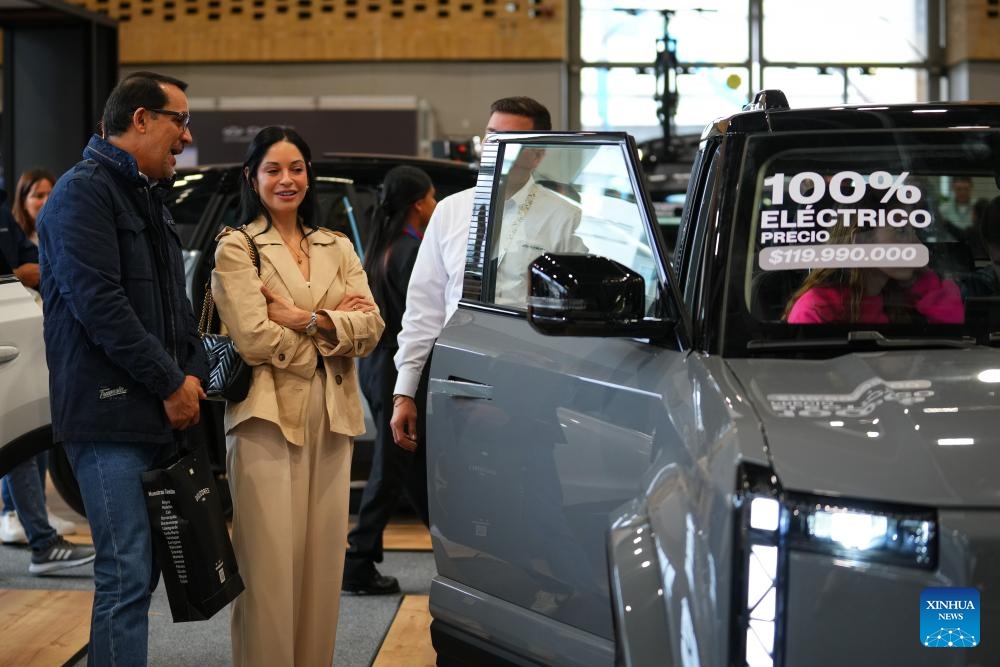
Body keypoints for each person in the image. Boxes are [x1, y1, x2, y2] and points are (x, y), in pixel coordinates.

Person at [37, 71, 207, 665]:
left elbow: (173, 308)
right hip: (109, 417)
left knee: (143, 573)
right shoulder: (82, 192)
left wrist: (193, 376)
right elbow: (100, 306)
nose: (186, 136)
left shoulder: (145, 195)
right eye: (179, 120)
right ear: (141, 120)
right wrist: (169, 380)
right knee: (124, 575)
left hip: (153, 415)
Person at [210, 126, 384, 666]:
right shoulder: (237, 246)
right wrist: (333, 328)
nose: (287, 180)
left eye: (297, 169)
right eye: (273, 169)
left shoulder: (337, 245)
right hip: (265, 417)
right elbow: (256, 338)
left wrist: (301, 318)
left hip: (333, 416)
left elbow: (374, 327)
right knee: (268, 571)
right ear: (252, 177)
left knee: (320, 568)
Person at [390, 96, 560, 450]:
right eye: (490, 136)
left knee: (533, 491)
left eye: (508, 141)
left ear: (537, 153)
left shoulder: (563, 216)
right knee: (455, 495)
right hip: (456, 379)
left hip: (530, 381)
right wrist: (404, 392)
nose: (493, 148)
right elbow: (425, 310)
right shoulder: (451, 211)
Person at [344, 165, 436, 595]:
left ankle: (448, 540)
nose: (436, 207)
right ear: (419, 203)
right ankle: (358, 560)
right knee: (391, 462)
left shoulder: (381, 248)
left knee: (410, 462)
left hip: (376, 365)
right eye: (433, 198)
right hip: (397, 368)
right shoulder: (411, 251)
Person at [1, 166, 83, 563]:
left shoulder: (5, 219)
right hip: (16, 337)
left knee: (27, 439)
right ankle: (38, 536)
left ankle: (39, 535)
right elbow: (24, 269)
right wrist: (22, 274)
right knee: (18, 447)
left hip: (27, 339)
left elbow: (35, 264)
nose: (45, 201)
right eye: (38, 194)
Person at [784, 221, 964, 324]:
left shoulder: (907, 298)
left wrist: (924, 281)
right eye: (901, 231)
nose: (917, 245)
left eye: (914, 232)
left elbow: (955, 345)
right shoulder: (817, 308)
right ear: (863, 241)